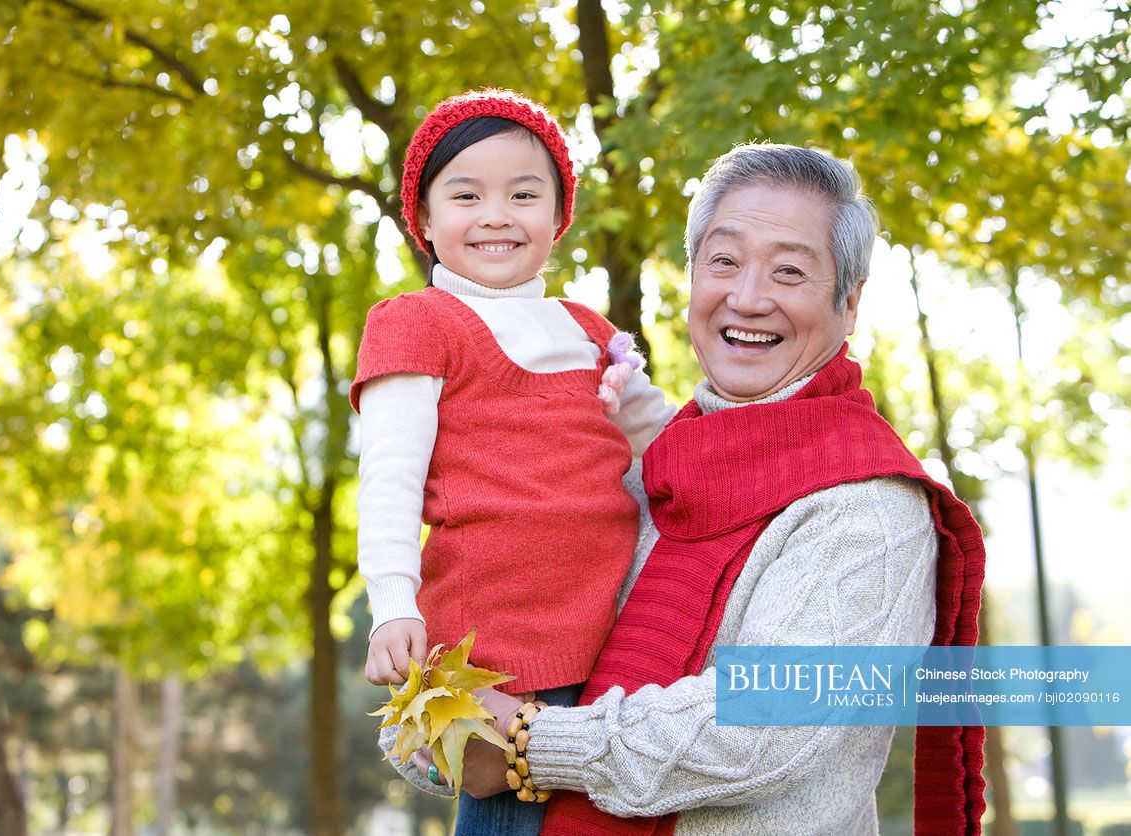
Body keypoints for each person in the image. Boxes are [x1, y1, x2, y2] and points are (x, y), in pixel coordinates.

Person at [396, 143, 987, 835]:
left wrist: (529, 743)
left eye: (789, 271)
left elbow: (761, 725)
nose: (746, 297)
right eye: (723, 261)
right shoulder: (639, 473)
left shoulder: (868, 509)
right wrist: (434, 722)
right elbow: (508, 632)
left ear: (847, 303)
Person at [350, 90, 674, 833]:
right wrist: (393, 605)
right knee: (509, 818)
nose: (496, 214)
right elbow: (389, 480)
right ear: (425, 220)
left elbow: (662, 442)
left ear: (557, 218)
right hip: (492, 645)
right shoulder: (417, 322)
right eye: (466, 195)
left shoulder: (589, 329)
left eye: (523, 194)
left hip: (611, 629)